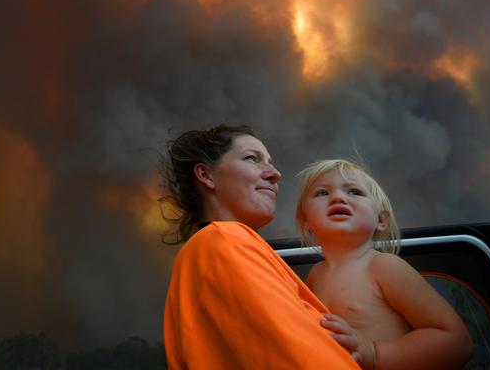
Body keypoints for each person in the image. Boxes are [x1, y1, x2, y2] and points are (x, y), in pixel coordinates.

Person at [161, 124, 360, 369]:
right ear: (206, 175)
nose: (275, 174)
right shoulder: (224, 241)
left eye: (271, 162)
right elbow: (303, 358)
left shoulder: (224, 245)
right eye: (252, 159)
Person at [295, 159, 473, 370]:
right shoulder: (316, 276)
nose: (338, 197)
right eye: (322, 193)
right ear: (306, 220)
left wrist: (375, 353)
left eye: (354, 192)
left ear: (381, 220)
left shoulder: (385, 266)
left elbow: (456, 341)